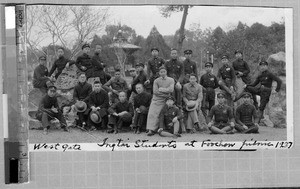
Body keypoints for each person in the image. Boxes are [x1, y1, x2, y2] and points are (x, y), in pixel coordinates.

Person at [146, 66, 175, 136]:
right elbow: (155, 92)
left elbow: (171, 89)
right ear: (159, 73)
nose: (162, 73)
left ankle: (162, 128)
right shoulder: (156, 81)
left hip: (167, 100)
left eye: (164, 72)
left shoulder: (171, 80)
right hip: (157, 99)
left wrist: (161, 89)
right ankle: (151, 129)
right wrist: (166, 93)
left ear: (166, 72)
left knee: (165, 112)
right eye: (161, 72)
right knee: (152, 113)